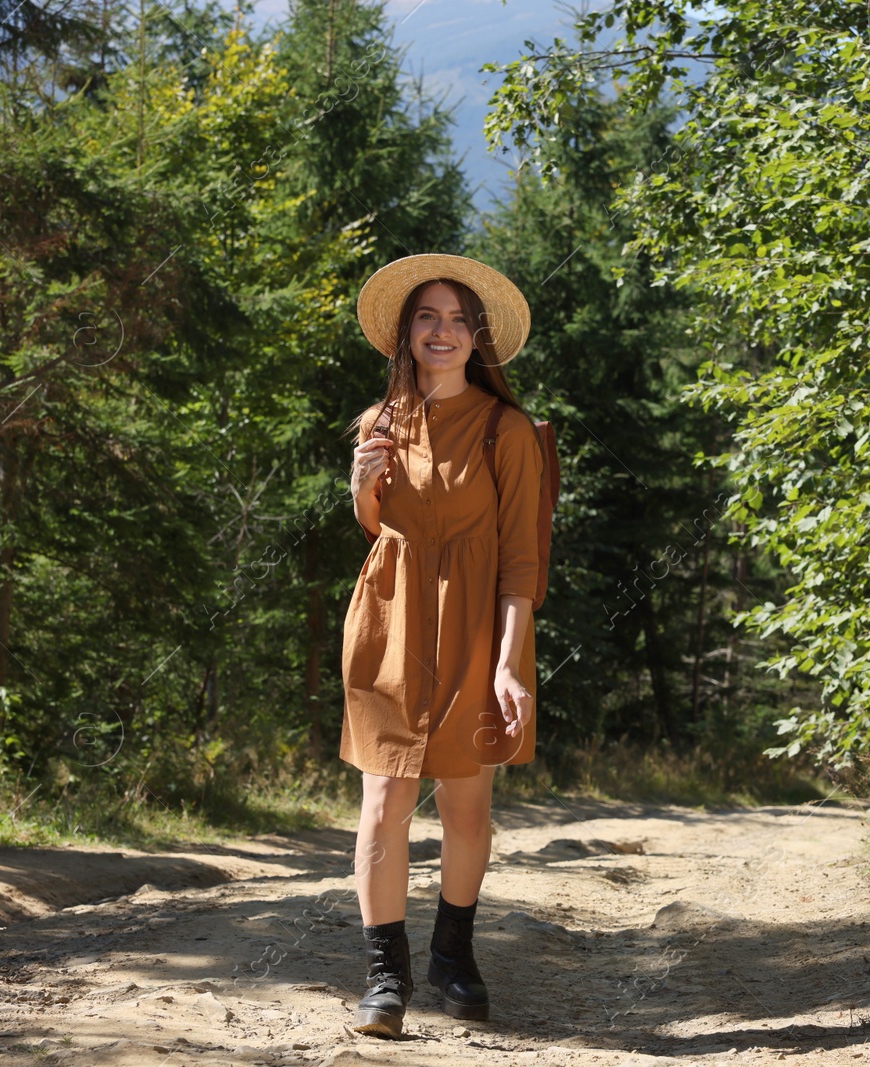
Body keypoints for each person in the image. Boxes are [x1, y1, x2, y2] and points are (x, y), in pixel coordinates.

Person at [338, 254, 544, 1039]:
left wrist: (507, 662)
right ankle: (386, 976)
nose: (443, 330)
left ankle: (454, 954)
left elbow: (520, 559)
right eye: (428, 316)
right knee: (385, 799)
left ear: (479, 337)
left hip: (477, 631)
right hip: (389, 623)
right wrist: (363, 486)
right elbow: (381, 531)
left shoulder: (507, 430)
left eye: (459, 318)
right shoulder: (379, 421)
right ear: (406, 331)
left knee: (465, 802)